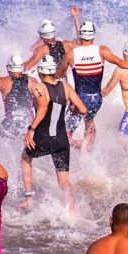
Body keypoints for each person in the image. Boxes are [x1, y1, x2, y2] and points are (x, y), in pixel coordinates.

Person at [56, 20, 128, 151]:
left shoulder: (71, 54)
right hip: (96, 99)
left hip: (79, 99)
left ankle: (82, 147)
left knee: (65, 136)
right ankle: (88, 149)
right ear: (94, 36)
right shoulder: (102, 50)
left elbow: (58, 74)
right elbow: (122, 63)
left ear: (80, 36)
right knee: (89, 125)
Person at [22, 55, 87, 214]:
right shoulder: (65, 86)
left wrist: (31, 130)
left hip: (43, 138)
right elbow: (83, 109)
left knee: (25, 158)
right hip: (61, 140)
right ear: (53, 71)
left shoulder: (38, 87)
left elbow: (43, 108)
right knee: (64, 181)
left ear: (39, 71)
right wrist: (73, 108)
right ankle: (72, 210)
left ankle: (29, 198)